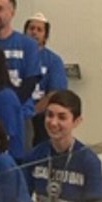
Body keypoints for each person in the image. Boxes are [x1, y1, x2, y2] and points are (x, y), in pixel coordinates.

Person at [0, 0, 41, 103]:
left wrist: (12, 104)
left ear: (12, 13)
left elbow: (30, 81)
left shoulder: (29, 45)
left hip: (21, 112)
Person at [24, 13, 69, 148]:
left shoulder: (53, 61)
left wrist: (33, 112)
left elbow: (55, 93)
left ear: (45, 36)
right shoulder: (18, 57)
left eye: (39, 30)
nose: (34, 32)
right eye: (31, 29)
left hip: (41, 117)